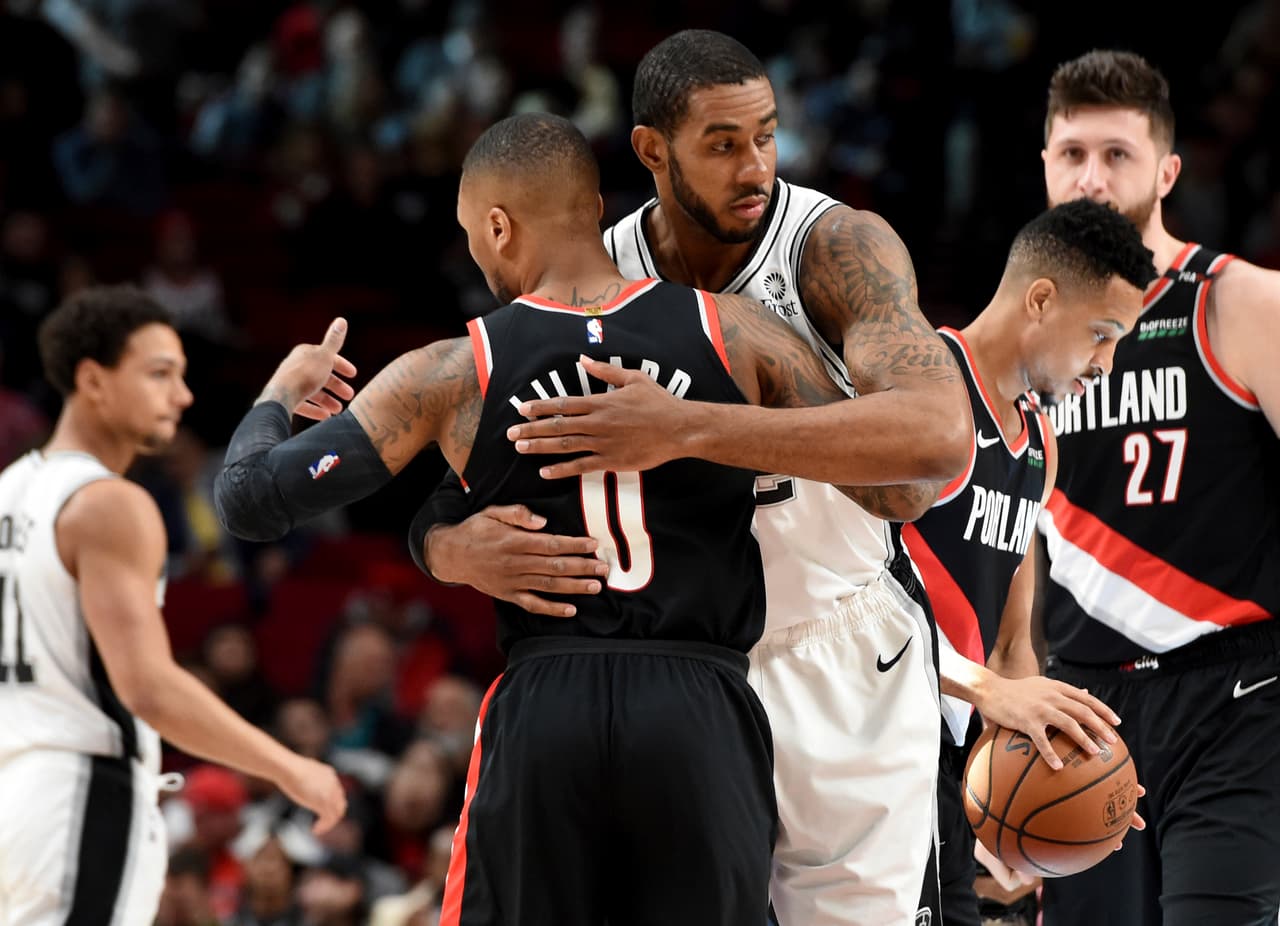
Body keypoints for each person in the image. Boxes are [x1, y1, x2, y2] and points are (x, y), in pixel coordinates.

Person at [211, 111, 926, 926]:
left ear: (497, 225)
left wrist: (279, 394)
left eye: (471, 237)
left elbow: (250, 500)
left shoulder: (453, 368)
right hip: (700, 705)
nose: (477, 258)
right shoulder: (734, 332)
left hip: (549, 700)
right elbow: (900, 486)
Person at [412, 29, 972, 925]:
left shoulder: (833, 248)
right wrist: (447, 547)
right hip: (679, 675)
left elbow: (935, 445)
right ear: (650, 151)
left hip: (837, 648)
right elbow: (476, 455)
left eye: (766, 135)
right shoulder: (595, 269)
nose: (755, 166)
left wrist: (688, 428)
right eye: (721, 144)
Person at [0, 285, 346, 925]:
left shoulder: (12, 488)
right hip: (77, 790)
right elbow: (150, 689)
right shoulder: (111, 503)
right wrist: (290, 768)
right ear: (92, 380)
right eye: (159, 374)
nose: (182, 397)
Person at [1034, 49, 1280, 925]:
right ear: (1044, 165)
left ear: (1167, 170)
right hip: (1084, 711)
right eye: (1071, 154)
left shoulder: (1238, 302)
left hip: (1236, 698)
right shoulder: (1028, 335)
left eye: (1117, 154)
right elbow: (1013, 537)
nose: (1091, 178)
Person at [896, 198, 1156, 924]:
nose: (1106, 363)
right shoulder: (922, 391)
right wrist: (985, 690)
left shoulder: (1040, 445)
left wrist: (1047, 768)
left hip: (941, 751)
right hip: (858, 730)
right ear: (1041, 299)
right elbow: (843, 603)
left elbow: (1012, 645)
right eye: (1100, 336)